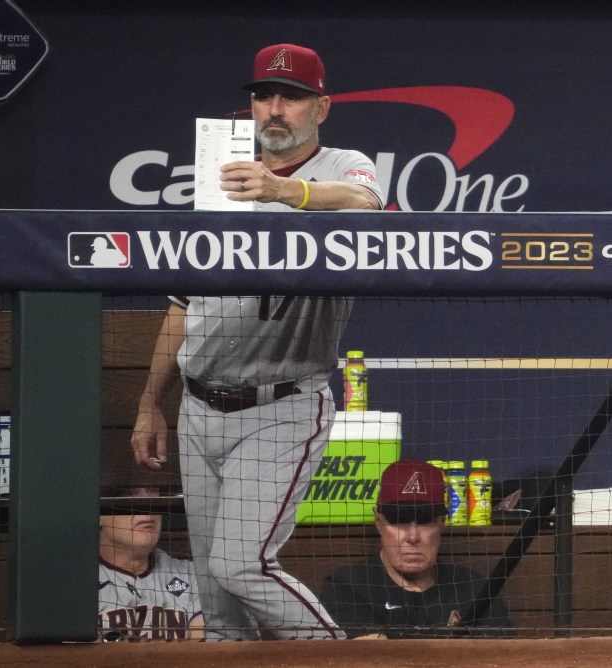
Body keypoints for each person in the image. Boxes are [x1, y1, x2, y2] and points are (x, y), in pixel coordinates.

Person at [130, 42, 383, 641]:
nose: (274, 108)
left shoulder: (345, 166)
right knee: (218, 604)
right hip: (197, 407)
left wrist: (283, 192)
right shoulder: (222, 177)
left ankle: (343, 658)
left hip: (280, 406)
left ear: (322, 106)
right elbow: (182, 305)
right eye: (263, 96)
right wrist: (149, 401)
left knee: (242, 565)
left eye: (291, 97)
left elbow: (367, 204)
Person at [320, 460, 515, 638]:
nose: (413, 537)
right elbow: (372, 661)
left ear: (441, 523)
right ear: (378, 522)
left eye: (425, 521)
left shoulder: (476, 590)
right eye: (399, 520)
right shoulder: (347, 588)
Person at [97, 486, 204, 641]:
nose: (146, 508)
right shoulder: (75, 581)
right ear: (99, 512)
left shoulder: (192, 575)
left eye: (153, 494)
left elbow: (202, 653)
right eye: (129, 493)